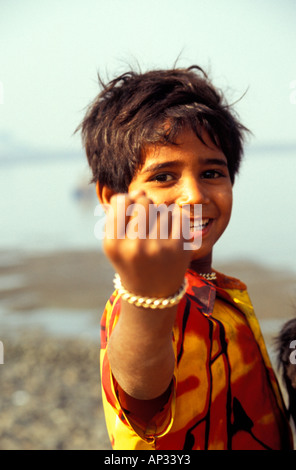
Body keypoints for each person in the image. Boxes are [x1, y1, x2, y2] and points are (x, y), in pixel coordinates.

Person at [77, 65, 293, 450]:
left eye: (212, 172)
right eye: (163, 177)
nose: (194, 195)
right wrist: (149, 298)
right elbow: (140, 387)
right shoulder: (145, 304)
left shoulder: (219, 294)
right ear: (113, 199)